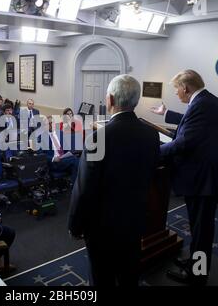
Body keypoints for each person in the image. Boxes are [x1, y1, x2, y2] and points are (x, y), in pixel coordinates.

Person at [69, 74, 159, 286]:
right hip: (135, 220)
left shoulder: (98, 138)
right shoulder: (151, 135)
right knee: (129, 275)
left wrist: (75, 224)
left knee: (102, 278)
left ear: (109, 100)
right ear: (136, 101)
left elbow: (84, 189)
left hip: (103, 227)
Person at [150, 69, 218, 285]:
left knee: (202, 231)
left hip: (204, 179)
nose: (177, 93)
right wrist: (167, 113)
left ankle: (198, 275)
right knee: (198, 227)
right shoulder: (208, 101)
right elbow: (191, 122)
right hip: (206, 175)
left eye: (177, 89)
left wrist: (155, 153)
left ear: (185, 88)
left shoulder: (202, 105)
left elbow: (184, 142)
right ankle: (195, 264)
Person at [46, 115, 79, 184]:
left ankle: (73, 186)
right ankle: (75, 188)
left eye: (52, 123)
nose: (51, 125)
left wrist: (69, 153)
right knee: (75, 161)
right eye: (49, 123)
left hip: (64, 159)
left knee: (76, 163)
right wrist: (53, 158)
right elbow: (40, 155)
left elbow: (66, 148)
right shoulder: (42, 137)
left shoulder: (60, 133)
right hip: (54, 163)